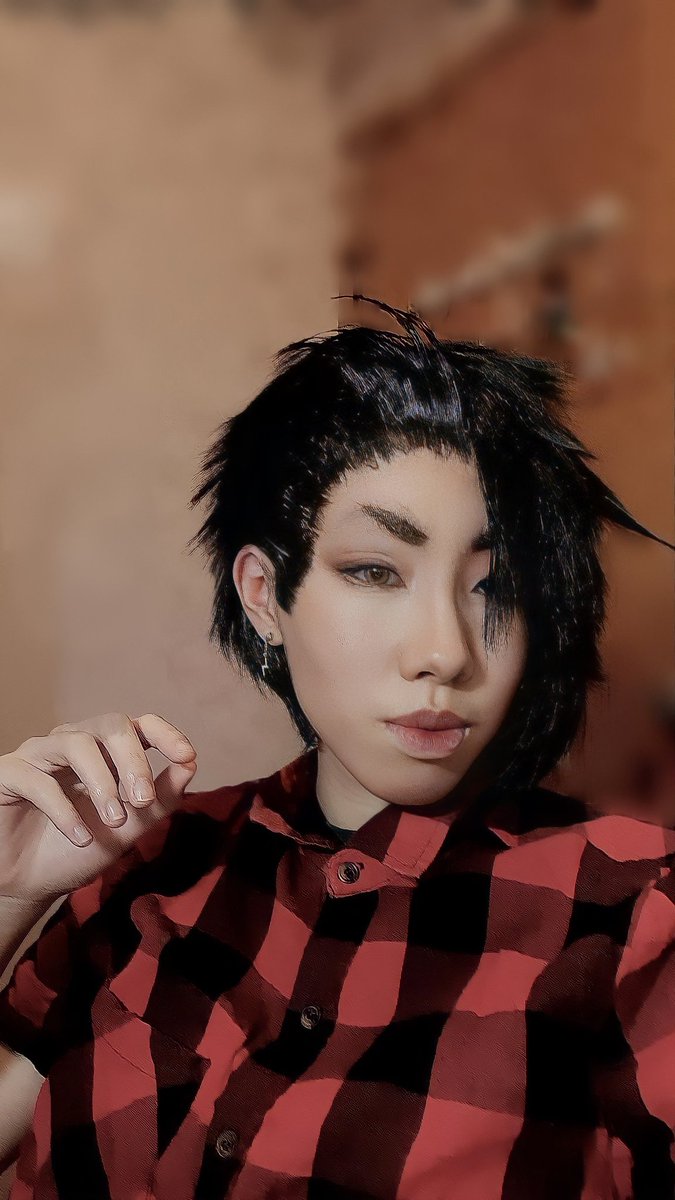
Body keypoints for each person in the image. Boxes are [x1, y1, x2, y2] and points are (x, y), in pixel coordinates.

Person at [0, 297, 674, 1200]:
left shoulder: (634, 909)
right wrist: (6, 896)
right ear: (264, 595)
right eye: (374, 570)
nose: (444, 651)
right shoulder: (149, 861)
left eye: (497, 586)